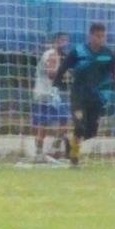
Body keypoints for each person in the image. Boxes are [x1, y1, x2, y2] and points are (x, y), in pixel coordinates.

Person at [53, 22, 115, 165]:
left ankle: (70, 141)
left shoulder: (108, 55)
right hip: (78, 96)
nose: (101, 39)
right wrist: (56, 85)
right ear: (91, 36)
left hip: (97, 98)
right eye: (98, 36)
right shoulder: (78, 51)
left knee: (91, 132)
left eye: (103, 36)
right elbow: (63, 68)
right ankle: (74, 156)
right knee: (79, 125)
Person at [32, 32, 72, 162]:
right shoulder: (52, 54)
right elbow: (51, 74)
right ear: (55, 41)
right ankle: (53, 150)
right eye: (61, 40)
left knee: (46, 124)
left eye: (66, 40)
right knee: (63, 120)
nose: (64, 43)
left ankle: (42, 153)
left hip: (44, 93)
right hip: (46, 94)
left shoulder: (53, 54)